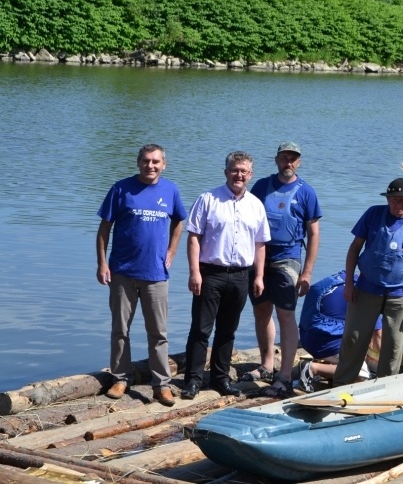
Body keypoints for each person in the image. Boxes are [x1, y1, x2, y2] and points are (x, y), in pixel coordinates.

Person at [96, 144, 187, 407]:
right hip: (122, 272)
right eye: (146, 161)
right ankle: (121, 378)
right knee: (120, 329)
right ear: (138, 163)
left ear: (164, 164)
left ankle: (162, 385)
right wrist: (102, 263)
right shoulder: (121, 188)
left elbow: (180, 220)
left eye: (156, 162)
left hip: (156, 273)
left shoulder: (170, 190)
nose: (151, 166)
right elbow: (104, 229)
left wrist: (171, 251)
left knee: (158, 332)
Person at [181, 151, 270, 400]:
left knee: (227, 330)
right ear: (226, 172)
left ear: (250, 175)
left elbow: (260, 244)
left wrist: (259, 276)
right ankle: (193, 380)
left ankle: (220, 379)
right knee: (200, 329)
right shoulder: (208, 199)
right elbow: (194, 238)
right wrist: (194, 272)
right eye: (234, 170)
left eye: (243, 171)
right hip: (211, 274)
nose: (238, 175)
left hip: (241, 275)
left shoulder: (255, 205)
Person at [333, 178, 403, 387]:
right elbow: (354, 248)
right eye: (395, 200)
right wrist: (350, 284)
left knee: (394, 346)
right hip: (367, 288)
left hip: (400, 293)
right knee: (354, 339)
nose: (400, 205)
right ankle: (341, 384)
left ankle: (386, 387)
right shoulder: (373, 214)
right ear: (388, 200)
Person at [245, 141, 321, 399]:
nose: (288, 162)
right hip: (258, 258)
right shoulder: (261, 187)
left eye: (293, 158)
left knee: (285, 315)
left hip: (287, 259)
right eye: (284, 157)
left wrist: (307, 272)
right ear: (276, 159)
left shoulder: (306, 192)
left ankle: (285, 375)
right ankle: (266, 365)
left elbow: (313, 233)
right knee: (260, 310)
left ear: (298, 162)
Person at [297, 271, 382, 391]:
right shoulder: (368, 293)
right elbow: (378, 337)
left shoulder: (336, 279)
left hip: (306, 337)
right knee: (362, 375)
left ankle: (330, 366)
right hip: (325, 344)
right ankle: (313, 368)